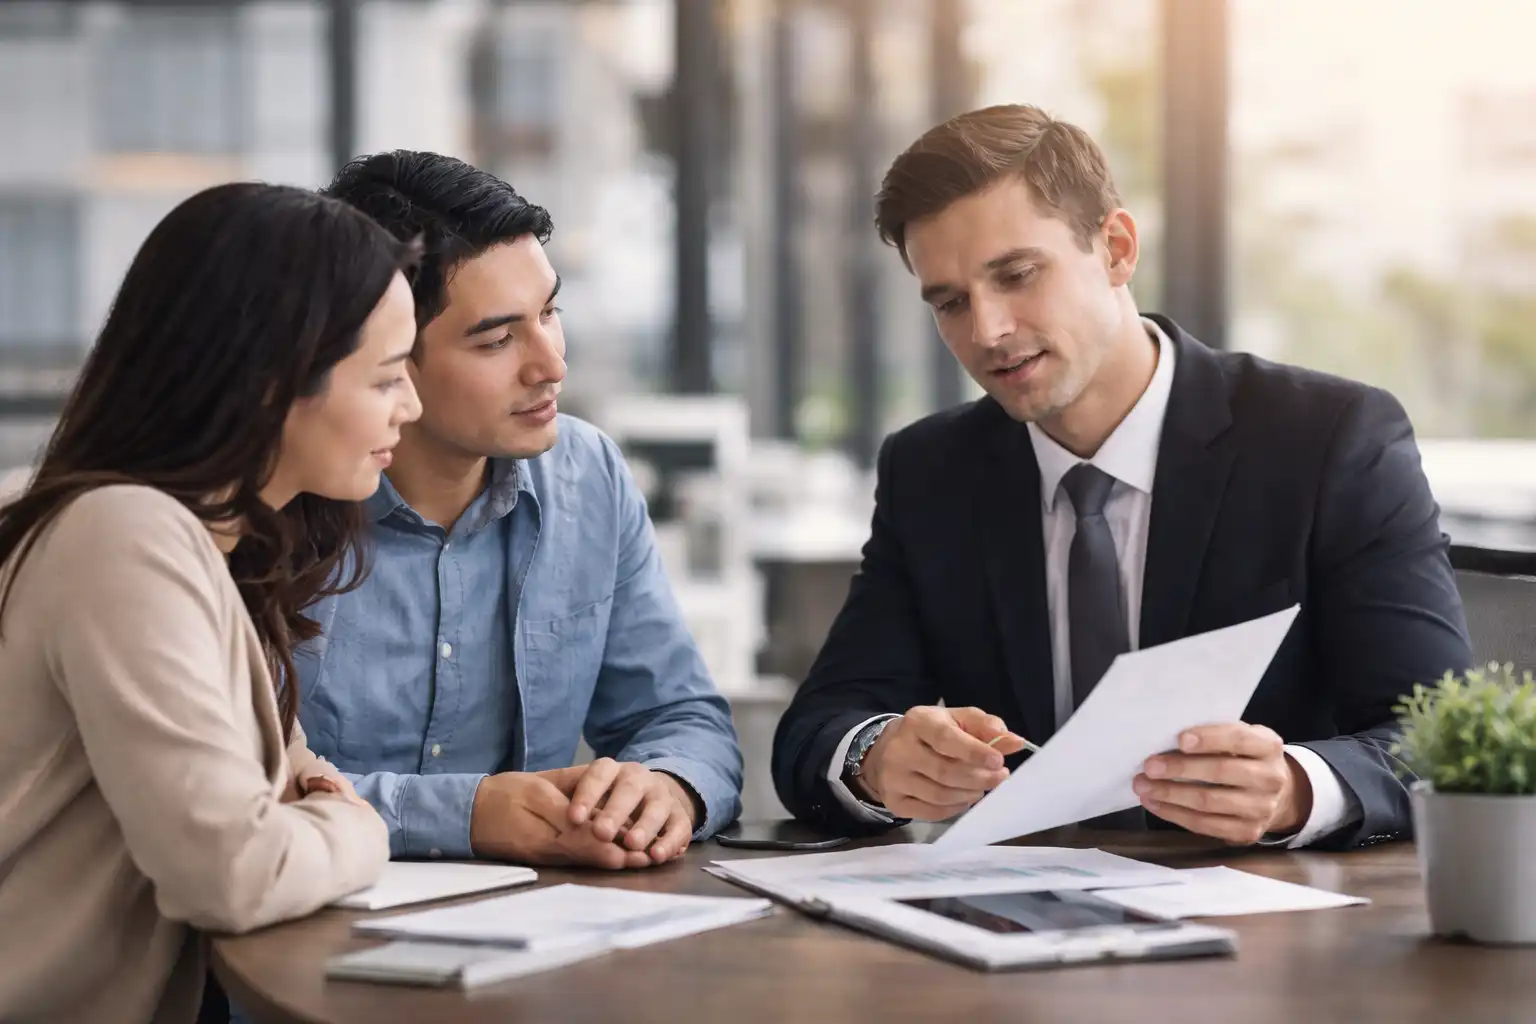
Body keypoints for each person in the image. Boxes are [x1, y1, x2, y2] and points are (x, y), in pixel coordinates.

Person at [772, 105, 1473, 850]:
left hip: (1275, 922)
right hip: (1017, 927)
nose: (988, 331)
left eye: (1016, 275)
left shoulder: (1329, 440)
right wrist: (876, 760)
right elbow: (819, 729)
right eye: (949, 302)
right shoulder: (931, 472)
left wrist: (1299, 789)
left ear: (1116, 248)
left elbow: (1436, 738)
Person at [0, 182, 421, 1023]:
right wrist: (363, 830)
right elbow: (234, 870)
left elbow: (288, 769)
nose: (410, 405)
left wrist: (304, 796)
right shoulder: (125, 537)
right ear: (271, 383)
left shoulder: (206, 539)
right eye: (385, 377)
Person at [300, 151, 742, 870]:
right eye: (498, 339)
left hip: (532, 939)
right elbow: (241, 791)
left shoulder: (587, 475)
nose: (550, 363)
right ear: (383, 352)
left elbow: (679, 716)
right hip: (299, 931)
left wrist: (667, 787)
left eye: (550, 312)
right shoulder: (277, 498)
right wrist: (468, 815)